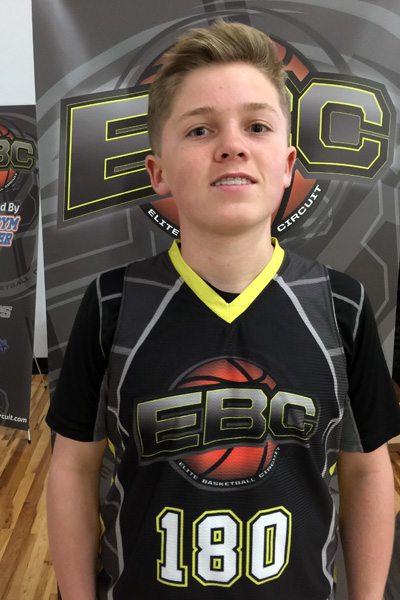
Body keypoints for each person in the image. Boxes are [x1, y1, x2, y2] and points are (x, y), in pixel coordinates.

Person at [46, 20, 400, 600]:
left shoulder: (341, 305)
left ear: (287, 166)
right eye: (200, 129)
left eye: (256, 126)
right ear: (159, 172)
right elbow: (72, 468)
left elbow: (366, 470)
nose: (232, 145)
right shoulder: (113, 304)